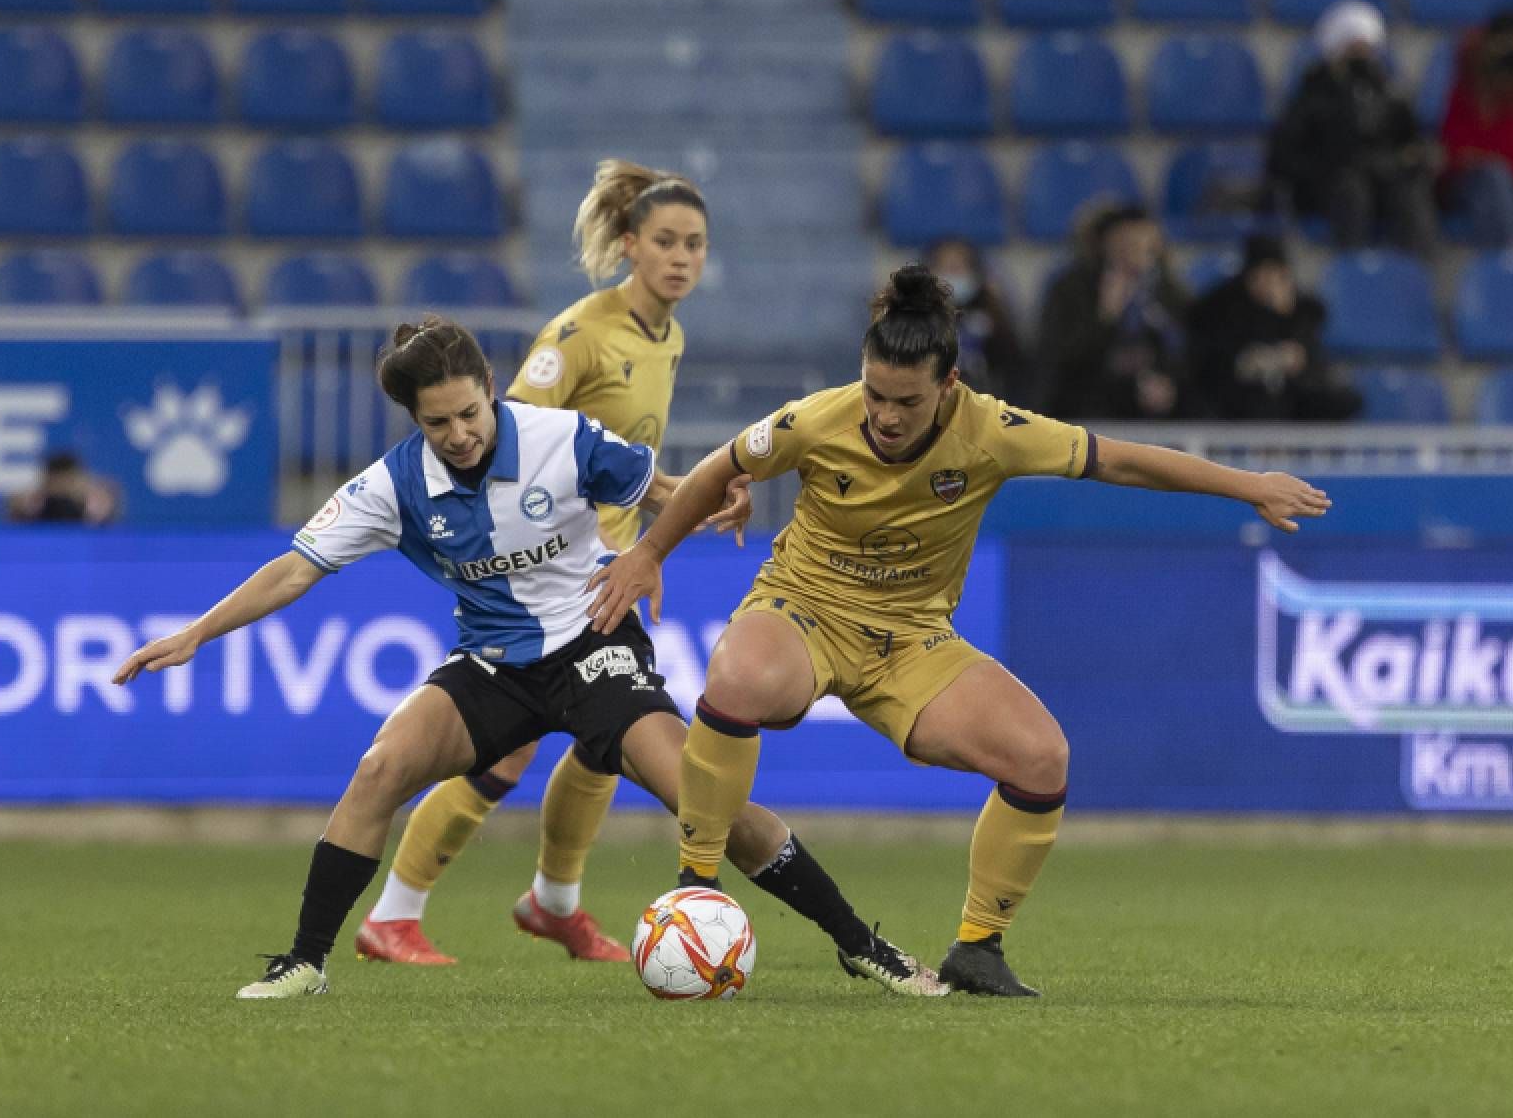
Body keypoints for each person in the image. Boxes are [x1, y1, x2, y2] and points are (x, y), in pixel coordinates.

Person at [112, 317, 944, 1000]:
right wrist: (197, 632)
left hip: (595, 645)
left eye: (471, 412)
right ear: (416, 423)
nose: (461, 433)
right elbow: (295, 568)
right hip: (492, 664)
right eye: (438, 423)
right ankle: (305, 961)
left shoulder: (558, 437)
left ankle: (860, 944)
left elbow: (656, 486)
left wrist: (710, 494)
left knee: (706, 797)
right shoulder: (392, 486)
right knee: (379, 768)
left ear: (489, 389)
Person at [585, 266, 1331, 998]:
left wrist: (1249, 485)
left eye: (906, 401)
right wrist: (650, 553)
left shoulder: (994, 431)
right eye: (875, 393)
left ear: (948, 386)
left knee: (1042, 758)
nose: (884, 414)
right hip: (804, 609)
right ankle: (698, 890)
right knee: (737, 677)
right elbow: (722, 466)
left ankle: (978, 949)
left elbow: (1123, 462)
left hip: (912, 640)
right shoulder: (817, 418)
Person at [357, 161, 748, 969]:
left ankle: (553, 901)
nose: (682, 258)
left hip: (603, 570)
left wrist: (683, 500)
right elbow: (512, 445)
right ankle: (397, 913)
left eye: (696, 245)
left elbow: (618, 458)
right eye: (666, 242)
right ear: (630, 246)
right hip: (535, 574)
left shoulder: (667, 335)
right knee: (509, 747)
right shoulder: (576, 339)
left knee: (603, 735)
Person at [1267, 0, 1439, 255]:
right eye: (1352, 51)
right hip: (1332, 187)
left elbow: (1411, 142)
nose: (1361, 60)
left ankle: (1416, 272)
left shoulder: (1389, 94)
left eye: (1366, 51)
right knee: (1352, 189)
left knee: (1410, 193)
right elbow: (1284, 156)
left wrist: (1405, 159)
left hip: (1384, 181)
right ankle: (1351, 268)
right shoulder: (1313, 96)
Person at [1037, 204, 1190, 420]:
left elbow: (1190, 352)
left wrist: (1170, 383)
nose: (1136, 254)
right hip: (1088, 411)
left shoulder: (1170, 291)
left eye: (1145, 246)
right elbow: (1058, 360)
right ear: (1105, 245)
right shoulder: (1071, 289)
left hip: (1160, 415)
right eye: (1127, 245)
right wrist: (1106, 317)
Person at [1188, 235, 1363, 422]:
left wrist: (1285, 317)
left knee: (1342, 399)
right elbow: (1215, 361)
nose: (1269, 283)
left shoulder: (1303, 311)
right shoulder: (1225, 308)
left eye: (1277, 275)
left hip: (1293, 396)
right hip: (1239, 398)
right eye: (1262, 275)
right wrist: (1249, 361)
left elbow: (1309, 359)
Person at [1438, 11, 1513, 248]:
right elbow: (1457, 150)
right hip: (1478, 182)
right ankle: (1512, 264)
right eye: (1504, 44)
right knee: (1496, 177)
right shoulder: (1469, 84)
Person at [921, 238, 1027, 402]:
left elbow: (1013, 364)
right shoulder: (918, 316)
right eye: (946, 267)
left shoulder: (990, 309)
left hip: (986, 403)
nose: (953, 275)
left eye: (959, 267)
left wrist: (996, 311)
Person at [4, 451, 119, 525]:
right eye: (57, 485)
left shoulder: (94, 503)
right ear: (46, 483)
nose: (63, 495)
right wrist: (25, 509)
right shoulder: (34, 503)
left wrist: (95, 510)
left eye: (69, 484)